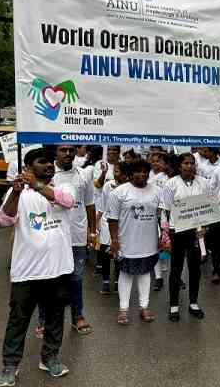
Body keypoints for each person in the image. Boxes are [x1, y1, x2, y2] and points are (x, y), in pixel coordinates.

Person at [0, 148, 75, 387]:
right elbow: (5, 219)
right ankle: (10, 365)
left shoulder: (62, 188)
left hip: (58, 269)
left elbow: (67, 202)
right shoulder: (17, 192)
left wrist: (38, 186)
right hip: (27, 271)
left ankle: (49, 358)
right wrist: (17, 193)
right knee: (18, 319)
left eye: (51, 162)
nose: (49, 165)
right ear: (29, 168)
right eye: (43, 162)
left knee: (55, 316)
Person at [38, 144, 95, 337]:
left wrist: (92, 232)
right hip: (52, 235)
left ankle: (77, 316)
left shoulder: (83, 175)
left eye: (71, 150)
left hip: (77, 236)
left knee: (76, 278)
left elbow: (90, 204)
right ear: (56, 152)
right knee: (49, 279)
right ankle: (44, 319)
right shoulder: (47, 175)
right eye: (63, 150)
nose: (68, 153)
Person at [107, 159, 161, 325]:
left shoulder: (157, 191)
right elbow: (112, 219)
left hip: (149, 242)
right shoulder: (119, 192)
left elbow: (162, 216)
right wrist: (114, 241)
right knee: (126, 273)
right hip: (126, 242)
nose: (141, 174)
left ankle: (144, 307)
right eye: (137, 171)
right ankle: (123, 310)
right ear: (130, 173)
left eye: (145, 171)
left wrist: (162, 236)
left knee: (145, 273)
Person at [160, 153, 210, 321]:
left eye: (192, 163)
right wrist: (165, 234)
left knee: (195, 268)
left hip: (197, 231)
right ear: (180, 166)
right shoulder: (171, 184)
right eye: (186, 163)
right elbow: (165, 210)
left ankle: (193, 303)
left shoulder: (203, 183)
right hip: (177, 231)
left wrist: (205, 228)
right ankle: (174, 305)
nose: (190, 166)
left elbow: (208, 207)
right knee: (176, 268)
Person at [197, 147, 220, 284]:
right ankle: (205, 253)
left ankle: (217, 270)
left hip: (217, 209)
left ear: (213, 152)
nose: (203, 152)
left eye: (206, 150)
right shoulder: (203, 166)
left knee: (217, 241)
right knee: (205, 236)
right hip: (203, 206)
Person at [96, 162, 128, 294]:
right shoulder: (108, 185)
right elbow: (102, 206)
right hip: (107, 222)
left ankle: (117, 281)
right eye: (115, 171)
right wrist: (97, 223)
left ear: (126, 174)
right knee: (105, 253)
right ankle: (105, 281)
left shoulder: (130, 187)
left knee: (119, 255)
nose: (116, 174)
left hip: (123, 224)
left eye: (119, 171)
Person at [149, 152, 171, 291]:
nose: (157, 163)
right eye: (154, 161)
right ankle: (158, 277)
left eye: (160, 161)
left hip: (168, 214)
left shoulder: (169, 177)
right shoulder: (148, 175)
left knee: (168, 244)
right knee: (154, 245)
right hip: (153, 214)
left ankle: (176, 276)